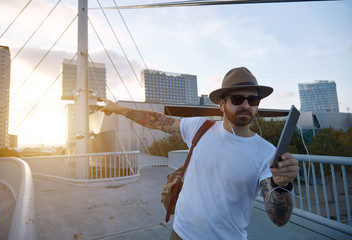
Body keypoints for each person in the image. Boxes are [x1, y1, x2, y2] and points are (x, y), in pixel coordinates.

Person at [100, 67, 299, 240]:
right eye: (238, 99)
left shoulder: (266, 152)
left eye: (253, 99)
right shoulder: (200, 128)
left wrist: (282, 186)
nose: (246, 105)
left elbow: (279, 218)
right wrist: (118, 109)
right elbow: (157, 120)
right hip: (180, 232)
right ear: (221, 104)